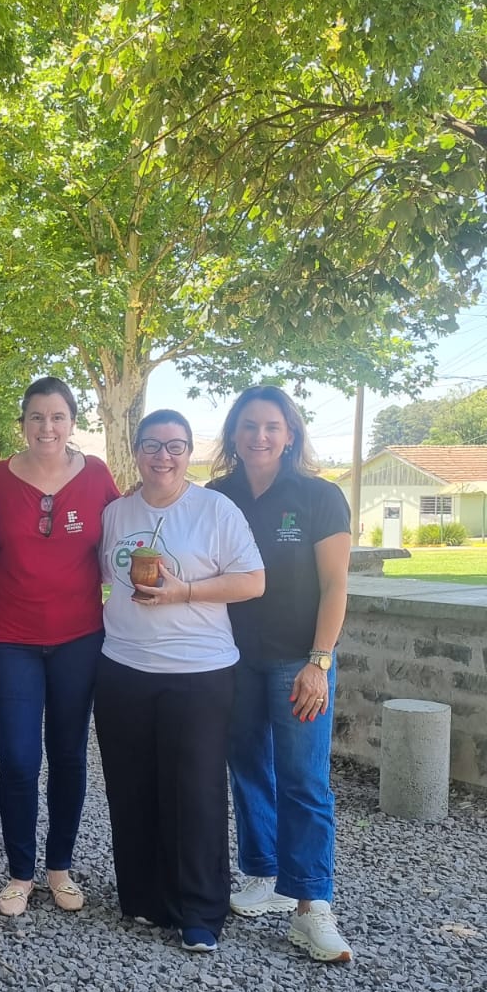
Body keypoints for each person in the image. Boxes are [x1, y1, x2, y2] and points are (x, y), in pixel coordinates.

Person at [94, 410, 264, 952]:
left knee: (195, 790)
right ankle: (145, 897)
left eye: (175, 446)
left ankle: (199, 911)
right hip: (123, 667)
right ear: (136, 451)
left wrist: (184, 592)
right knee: (131, 786)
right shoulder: (117, 513)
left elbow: (253, 581)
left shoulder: (215, 509)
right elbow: (102, 575)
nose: (162, 457)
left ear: (190, 452)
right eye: (151, 445)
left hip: (198, 670)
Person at [210, 385, 354, 962]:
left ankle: (312, 905)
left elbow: (335, 586)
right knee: (247, 768)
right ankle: (264, 874)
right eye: (248, 426)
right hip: (234, 658)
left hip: (300, 661)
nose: (260, 436)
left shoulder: (319, 496)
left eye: (271, 426)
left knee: (304, 780)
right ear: (234, 435)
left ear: (290, 434)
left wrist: (319, 662)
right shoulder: (218, 495)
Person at [0, 376, 119, 918]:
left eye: (57, 416)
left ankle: (59, 867)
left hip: (79, 638)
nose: (47, 426)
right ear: (23, 423)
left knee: (67, 754)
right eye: (36, 416)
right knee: (18, 758)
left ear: (72, 422)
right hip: (9, 639)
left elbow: (131, 533)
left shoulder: (98, 476)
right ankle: (20, 872)